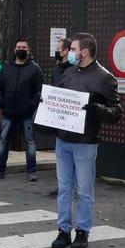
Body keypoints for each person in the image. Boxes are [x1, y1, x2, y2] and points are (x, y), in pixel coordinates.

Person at [50, 33, 123, 248]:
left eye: (72, 49)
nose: (69, 53)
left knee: (84, 190)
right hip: (63, 139)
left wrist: (95, 108)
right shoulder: (69, 72)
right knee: (64, 189)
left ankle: (82, 231)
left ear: (85, 51)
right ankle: (63, 230)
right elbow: (59, 98)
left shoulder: (104, 77)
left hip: (85, 141)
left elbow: (116, 111)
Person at [0, 38, 43, 182]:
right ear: (14, 49)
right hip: (8, 112)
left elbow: (39, 90)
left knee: (30, 142)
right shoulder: (6, 68)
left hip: (27, 113)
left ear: (28, 50)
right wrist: (1, 103)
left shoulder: (35, 68)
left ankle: (31, 171)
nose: (21, 49)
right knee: (3, 141)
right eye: (19, 46)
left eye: (24, 47)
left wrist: (32, 105)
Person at [46, 36, 72, 199]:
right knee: (61, 152)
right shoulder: (57, 70)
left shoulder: (72, 70)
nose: (57, 51)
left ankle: (68, 185)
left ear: (67, 51)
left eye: (60, 48)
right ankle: (63, 185)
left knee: (69, 152)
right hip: (58, 114)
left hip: (69, 114)